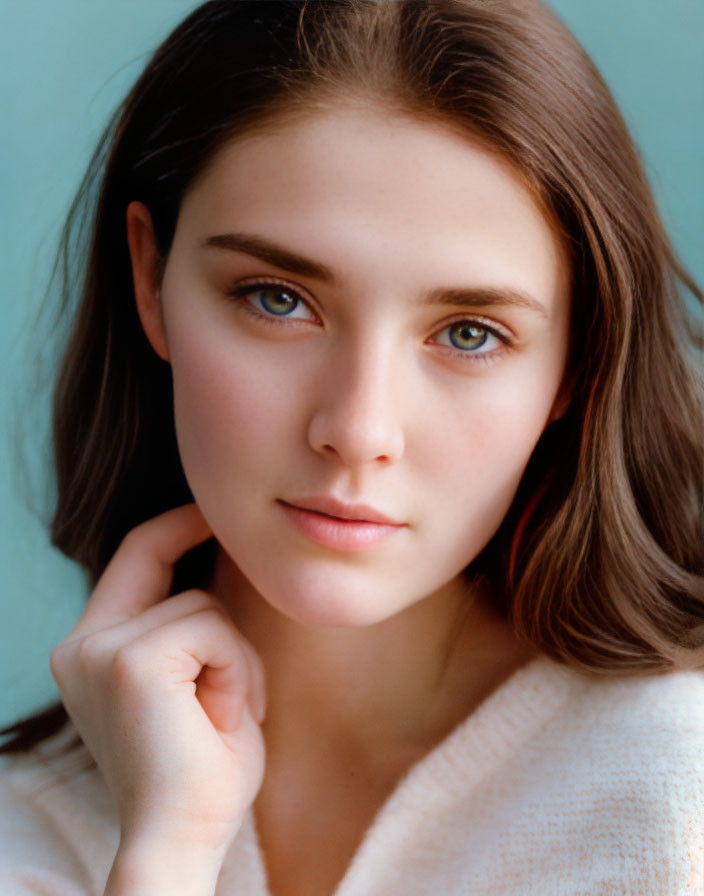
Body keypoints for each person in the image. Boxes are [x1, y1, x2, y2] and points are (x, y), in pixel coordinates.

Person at [1, 0, 703, 894]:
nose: (359, 430)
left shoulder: (676, 805)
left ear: (578, 364)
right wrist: (166, 850)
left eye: (470, 334)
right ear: (151, 276)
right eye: (278, 298)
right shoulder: (24, 831)